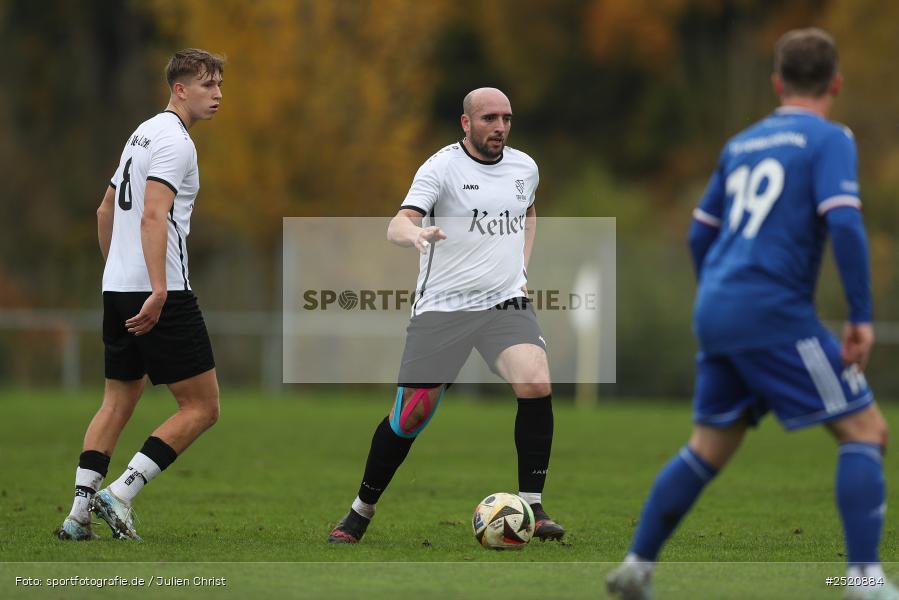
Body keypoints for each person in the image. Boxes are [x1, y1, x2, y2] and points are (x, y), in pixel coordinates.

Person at [606, 29, 896, 600]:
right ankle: (863, 578)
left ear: (776, 83)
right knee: (866, 429)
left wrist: (720, 289)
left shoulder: (741, 144)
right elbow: (844, 221)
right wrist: (861, 315)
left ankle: (637, 567)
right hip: (773, 311)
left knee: (707, 448)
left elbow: (699, 233)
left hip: (719, 305)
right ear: (835, 83)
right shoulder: (830, 138)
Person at [327, 87, 564, 544]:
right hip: (444, 307)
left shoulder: (525, 167)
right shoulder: (441, 167)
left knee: (536, 381)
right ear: (466, 123)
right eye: (490, 118)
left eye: (507, 119)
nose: (500, 127)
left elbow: (530, 211)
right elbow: (398, 222)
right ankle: (361, 510)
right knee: (411, 416)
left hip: (504, 304)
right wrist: (414, 235)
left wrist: (522, 269)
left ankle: (532, 506)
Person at [56, 49, 224, 541]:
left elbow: (105, 208)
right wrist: (157, 287)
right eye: (207, 85)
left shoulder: (142, 132)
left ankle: (77, 516)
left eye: (219, 85)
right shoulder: (176, 141)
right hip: (160, 290)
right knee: (202, 407)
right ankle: (120, 493)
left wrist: (117, 272)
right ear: (180, 88)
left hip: (117, 287)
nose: (217, 95)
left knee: (116, 402)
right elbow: (153, 214)